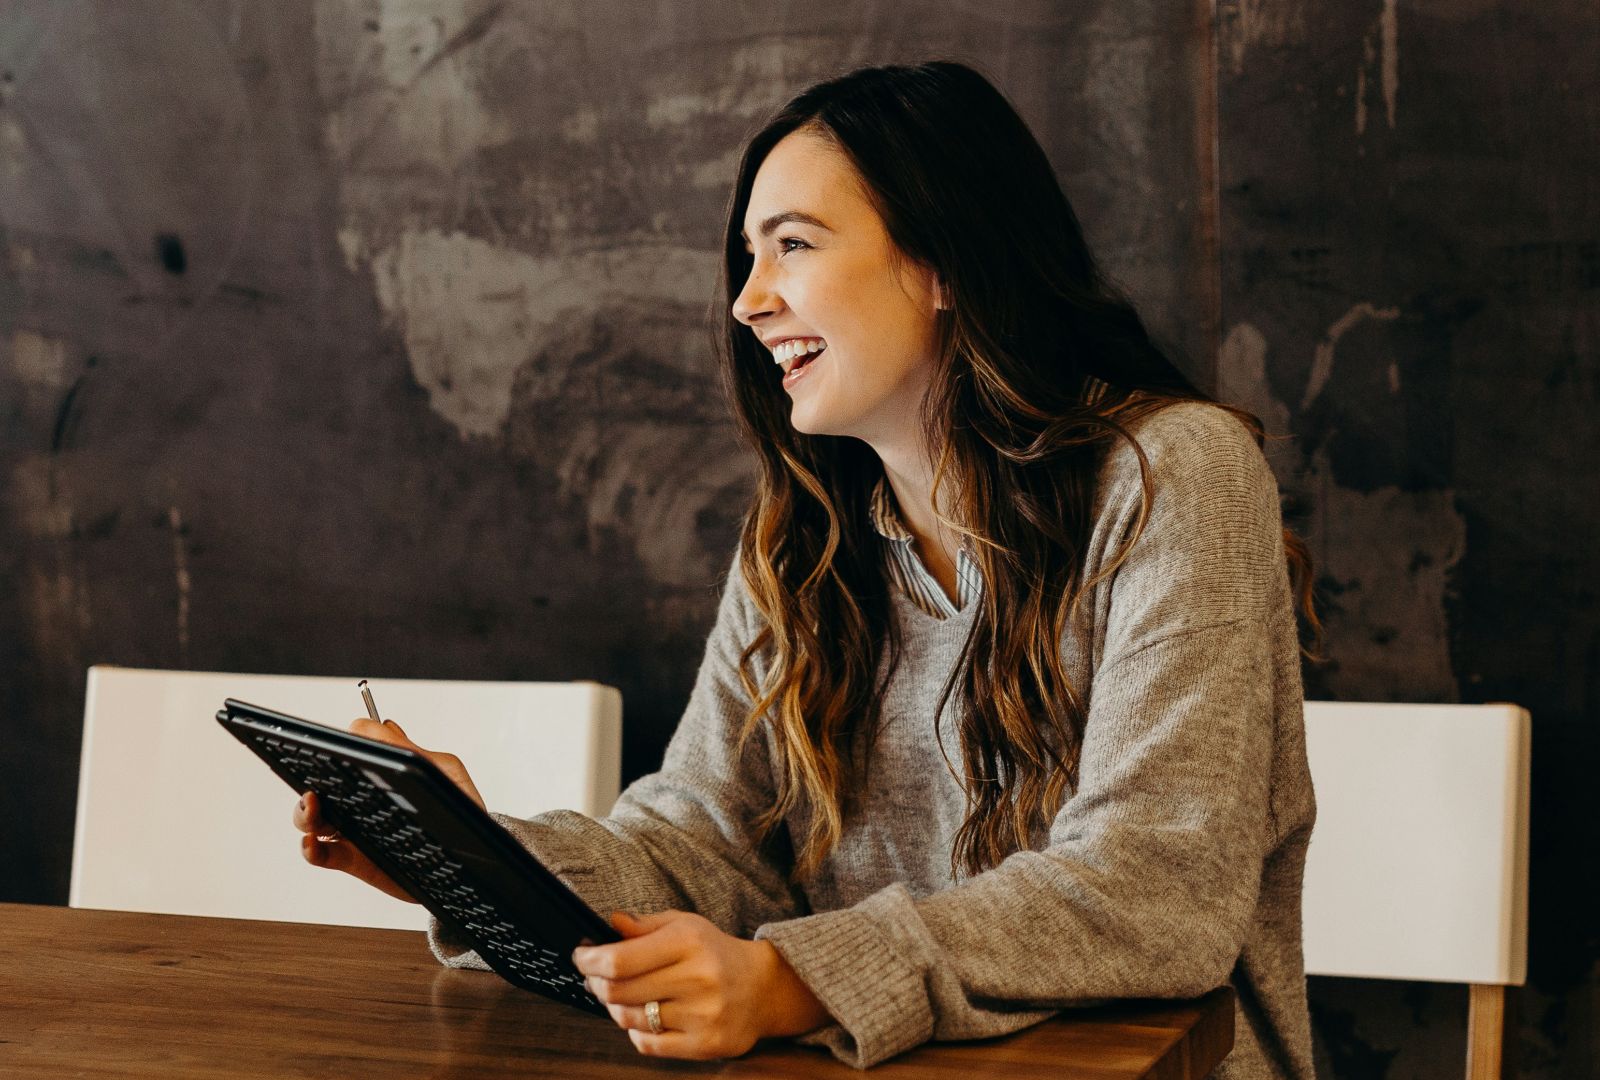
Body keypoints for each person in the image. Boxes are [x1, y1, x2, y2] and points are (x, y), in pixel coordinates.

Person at [293, 60, 1322, 1079]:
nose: (747, 300)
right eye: (749, 256)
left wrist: (790, 984)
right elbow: (701, 848)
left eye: (792, 244)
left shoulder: (1172, 475)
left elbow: (1156, 890)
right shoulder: (802, 541)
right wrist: (473, 861)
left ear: (943, 264)